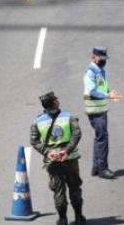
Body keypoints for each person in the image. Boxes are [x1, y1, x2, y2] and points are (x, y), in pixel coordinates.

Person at [30, 92, 85, 225]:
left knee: (58, 190)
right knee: (74, 187)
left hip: (52, 161)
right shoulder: (68, 117)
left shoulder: (38, 121)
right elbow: (77, 134)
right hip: (70, 158)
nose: (57, 100)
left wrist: (47, 152)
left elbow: (34, 140)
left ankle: (62, 219)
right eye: (56, 99)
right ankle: (78, 218)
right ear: (54, 103)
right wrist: (66, 151)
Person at [83, 47, 121, 179]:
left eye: (105, 59)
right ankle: (102, 168)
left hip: (100, 109)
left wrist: (110, 93)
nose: (104, 61)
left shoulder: (100, 71)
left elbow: (101, 88)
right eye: (101, 58)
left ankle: (96, 166)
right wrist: (108, 95)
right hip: (95, 110)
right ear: (93, 57)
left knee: (99, 137)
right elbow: (92, 91)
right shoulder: (91, 72)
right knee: (102, 138)